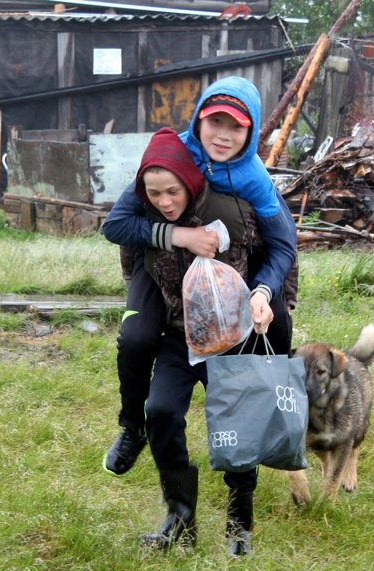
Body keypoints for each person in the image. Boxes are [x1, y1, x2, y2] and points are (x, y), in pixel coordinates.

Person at [102, 75, 297, 477]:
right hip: (160, 265)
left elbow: (284, 245)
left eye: (236, 127)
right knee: (136, 338)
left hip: (229, 272)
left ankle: (274, 415)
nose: (222, 136)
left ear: (252, 130)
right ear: (197, 120)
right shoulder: (174, 154)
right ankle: (132, 427)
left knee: (276, 325)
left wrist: (266, 291)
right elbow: (116, 224)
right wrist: (180, 235)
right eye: (215, 122)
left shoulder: (255, 181)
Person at [118, 127, 288, 556]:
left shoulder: (234, 206)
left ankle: (240, 525)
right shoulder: (146, 215)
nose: (165, 202)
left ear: (189, 182)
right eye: (155, 194)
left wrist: (269, 300)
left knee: (237, 429)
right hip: (179, 337)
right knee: (159, 412)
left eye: (172, 191)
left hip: (231, 338)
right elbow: (130, 259)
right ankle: (180, 518)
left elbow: (280, 253)